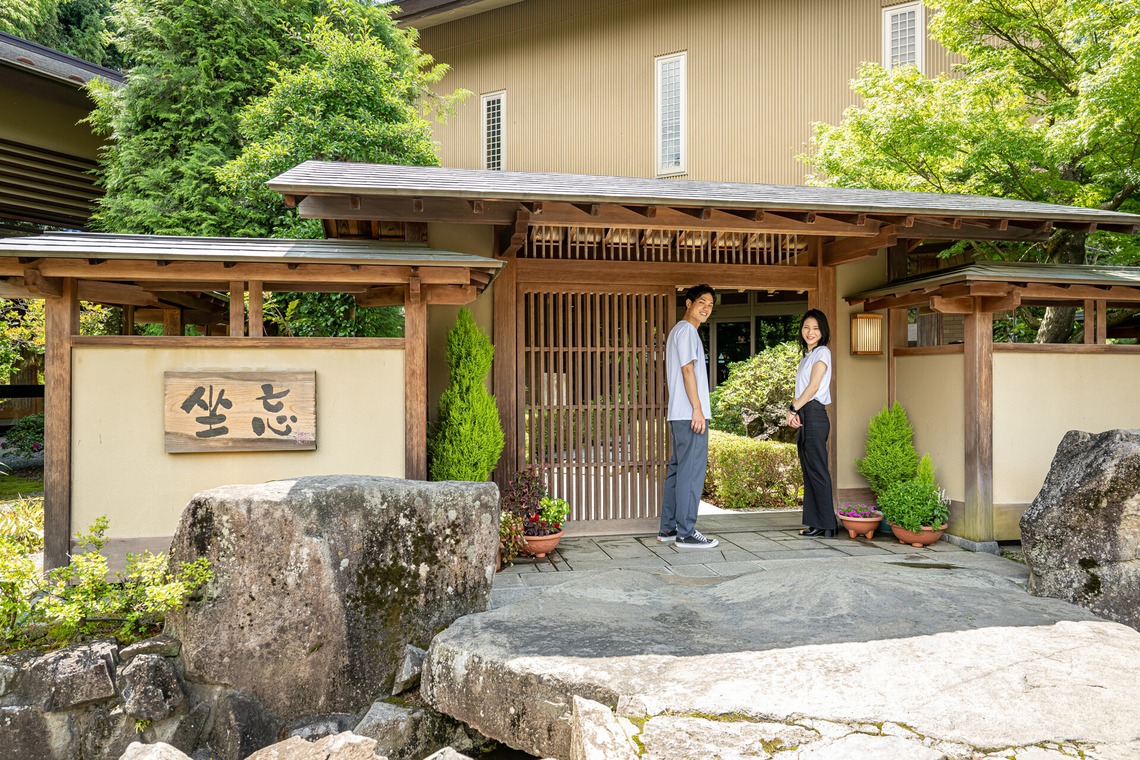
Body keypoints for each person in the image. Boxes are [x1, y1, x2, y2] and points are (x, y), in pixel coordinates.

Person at [658, 284, 719, 549]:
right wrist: (697, 409)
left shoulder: (678, 332)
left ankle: (669, 528)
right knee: (691, 473)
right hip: (690, 414)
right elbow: (687, 371)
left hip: (679, 415)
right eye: (702, 302)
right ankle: (686, 532)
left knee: (678, 471)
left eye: (710, 305)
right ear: (689, 303)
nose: (706, 308)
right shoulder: (687, 332)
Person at [786, 309, 839, 538]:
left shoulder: (822, 353)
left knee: (817, 470)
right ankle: (817, 522)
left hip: (815, 415)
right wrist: (796, 410)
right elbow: (802, 390)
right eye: (807, 327)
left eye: (816, 328)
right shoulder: (806, 356)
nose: (810, 332)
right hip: (807, 414)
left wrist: (793, 408)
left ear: (823, 331)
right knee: (809, 470)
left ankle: (827, 524)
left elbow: (814, 387)